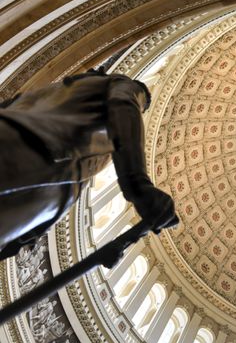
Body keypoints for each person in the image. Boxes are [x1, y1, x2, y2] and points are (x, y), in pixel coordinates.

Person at [0, 68, 178, 261]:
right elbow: (124, 106)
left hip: (36, 186)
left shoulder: (57, 92)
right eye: (140, 107)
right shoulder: (122, 87)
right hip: (33, 157)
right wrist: (139, 185)